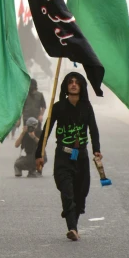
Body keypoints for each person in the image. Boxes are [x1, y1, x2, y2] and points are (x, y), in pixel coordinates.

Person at [36, 72, 102, 241]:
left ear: (81, 86)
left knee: (81, 192)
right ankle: (72, 228)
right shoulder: (57, 107)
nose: (73, 84)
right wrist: (39, 154)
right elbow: (46, 131)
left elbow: (93, 129)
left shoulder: (87, 107)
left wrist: (96, 149)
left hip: (81, 156)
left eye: (77, 82)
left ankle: (74, 224)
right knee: (67, 191)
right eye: (70, 82)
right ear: (65, 86)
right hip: (63, 156)